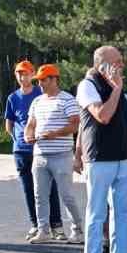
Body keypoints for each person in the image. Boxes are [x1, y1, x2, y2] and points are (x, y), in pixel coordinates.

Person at [76, 46, 127, 253]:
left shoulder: (120, 91)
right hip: (98, 159)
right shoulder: (88, 86)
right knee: (97, 215)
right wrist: (116, 88)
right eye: (117, 61)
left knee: (121, 213)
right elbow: (103, 116)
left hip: (119, 160)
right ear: (102, 65)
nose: (122, 65)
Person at [23, 64, 84, 243]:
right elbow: (31, 124)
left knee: (66, 195)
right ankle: (43, 230)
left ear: (54, 79)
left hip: (61, 155)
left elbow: (75, 125)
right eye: (39, 81)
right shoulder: (37, 101)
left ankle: (78, 230)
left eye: (44, 80)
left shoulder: (68, 100)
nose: (40, 84)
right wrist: (28, 135)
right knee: (39, 195)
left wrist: (55, 134)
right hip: (40, 155)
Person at [5, 59, 63, 243]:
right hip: (21, 151)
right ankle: (36, 224)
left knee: (49, 188)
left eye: (26, 73)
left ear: (32, 74)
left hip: (42, 149)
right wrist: (17, 139)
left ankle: (56, 225)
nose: (22, 76)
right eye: (19, 73)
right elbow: (9, 124)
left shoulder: (41, 94)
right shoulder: (13, 98)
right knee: (29, 189)